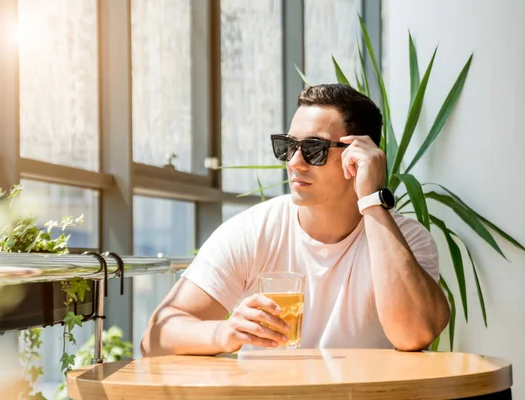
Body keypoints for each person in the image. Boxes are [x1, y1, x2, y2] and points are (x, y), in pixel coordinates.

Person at [140, 83, 450, 357]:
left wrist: (372, 200)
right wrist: (224, 333)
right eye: (288, 147)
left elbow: (413, 334)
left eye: (314, 150)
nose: (295, 162)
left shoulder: (406, 240)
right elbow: (155, 338)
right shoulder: (254, 230)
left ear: (360, 156)